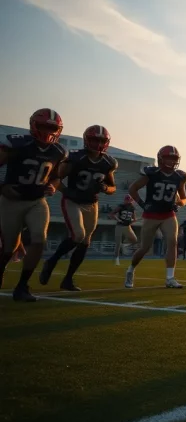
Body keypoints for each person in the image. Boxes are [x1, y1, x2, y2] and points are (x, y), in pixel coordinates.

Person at [0, 109, 67, 301]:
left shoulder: (58, 151)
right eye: (44, 126)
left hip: (37, 201)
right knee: (8, 249)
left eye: (52, 127)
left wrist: (53, 187)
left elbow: (56, 178)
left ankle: (22, 286)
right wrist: (2, 187)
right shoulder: (17, 143)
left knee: (39, 240)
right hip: (12, 200)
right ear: (33, 125)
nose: (48, 131)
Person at [41, 126, 117, 291]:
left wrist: (105, 188)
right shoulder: (76, 157)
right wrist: (66, 191)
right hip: (73, 201)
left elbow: (113, 188)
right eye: (95, 140)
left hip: (92, 203)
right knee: (78, 235)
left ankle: (68, 279)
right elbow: (57, 177)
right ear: (86, 140)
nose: (98, 144)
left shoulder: (108, 162)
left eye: (101, 140)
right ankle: (52, 260)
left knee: (85, 242)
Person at [124, 146, 186, 289]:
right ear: (160, 159)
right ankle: (131, 270)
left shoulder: (179, 177)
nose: (171, 161)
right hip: (151, 215)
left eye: (174, 158)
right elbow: (132, 188)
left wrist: (178, 203)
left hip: (168, 215)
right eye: (168, 158)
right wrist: (142, 204)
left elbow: (183, 198)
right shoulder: (151, 173)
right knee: (144, 248)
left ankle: (170, 278)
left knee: (172, 242)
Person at [110, 195, 138, 266]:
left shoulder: (132, 208)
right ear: (125, 200)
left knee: (134, 239)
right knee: (118, 244)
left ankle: (125, 245)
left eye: (129, 200)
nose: (129, 201)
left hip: (127, 226)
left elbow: (134, 219)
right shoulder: (121, 206)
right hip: (119, 226)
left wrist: (131, 221)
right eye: (127, 200)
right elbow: (112, 214)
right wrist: (118, 219)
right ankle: (116, 259)